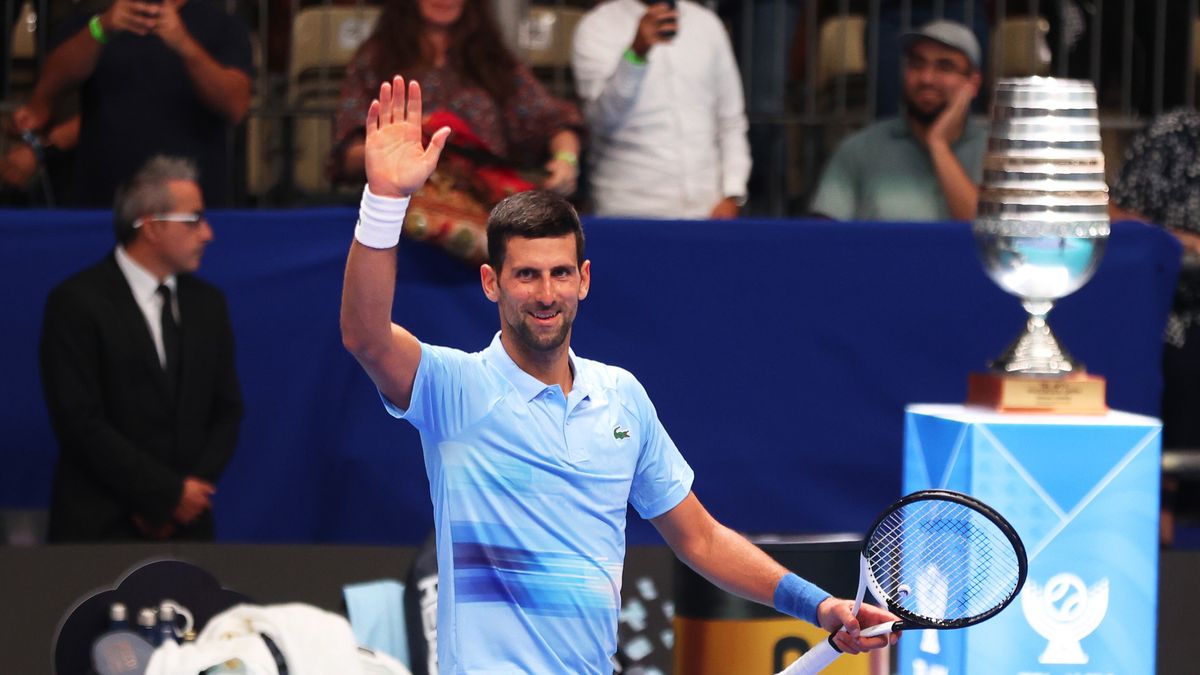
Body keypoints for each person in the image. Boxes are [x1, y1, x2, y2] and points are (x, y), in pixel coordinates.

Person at [340, 76, 898, 673]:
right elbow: (366, 336)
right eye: (525, 275)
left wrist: (820, 606)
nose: (545, 294)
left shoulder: (621, 397)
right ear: (490, 283)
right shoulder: (454, 389)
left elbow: (700, 538)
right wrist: (385, 202)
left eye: (559, 273)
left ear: (583, 278)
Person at [40, 156, 243, 542]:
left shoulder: (208, 304)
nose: (208, 234)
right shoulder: (76, 302)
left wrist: (187, 496)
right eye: (194, 219)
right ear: (151, 226)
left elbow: (227, 410)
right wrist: (163, 496)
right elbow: (79, 421)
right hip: (100, 529)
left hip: (188, 530)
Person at [11, 0, 253, 207]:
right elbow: (49, 87)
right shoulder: (94, 21)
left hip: (188, 214)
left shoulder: (223, 26)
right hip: (105, 205)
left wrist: (184, 44)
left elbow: (235, 106)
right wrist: (101, 28)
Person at [331, 0, 582, 196]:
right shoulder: (375, 60)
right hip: (405, 202)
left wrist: (565, 159)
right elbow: (347, 154)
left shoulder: (491, 58)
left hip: (486, 201)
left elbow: (553, 121)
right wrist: (397, 144)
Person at [1109, 108, 1200, 546]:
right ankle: (1158, 508)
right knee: (1173, 354)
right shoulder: (1173, 135)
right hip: (1171, 312)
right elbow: (1111, 214)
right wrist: (1182, 243)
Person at [572, 0, 751, 219]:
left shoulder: (707, 24)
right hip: (628, 211)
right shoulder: (598, 26)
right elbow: (601, 121)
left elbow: (731, 120)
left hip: (707, 212)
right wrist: (636, 54)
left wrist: (733, 193)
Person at [809, 19, 985, 221]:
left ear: (973, 83)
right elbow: (822, 239)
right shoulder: (859, 149)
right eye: (917, 64)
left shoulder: (995, 153)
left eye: (944, 67)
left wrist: (938, 144)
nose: (926, 78)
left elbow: (992, 239)